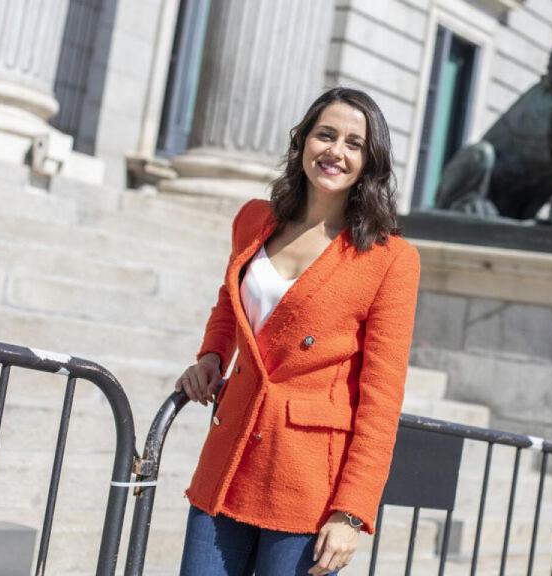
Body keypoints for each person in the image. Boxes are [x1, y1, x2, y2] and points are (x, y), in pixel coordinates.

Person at [174, 86, 421, 576]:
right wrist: (211, 357)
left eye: (354, 144)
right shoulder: (254, 220)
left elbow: (381, 399)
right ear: (303, 141)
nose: (336, 151)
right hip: (230, 454)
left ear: (369, 163)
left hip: (307, 480)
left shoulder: (390, 259)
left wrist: (351, 512)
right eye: (325, 135)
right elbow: (231, 300)